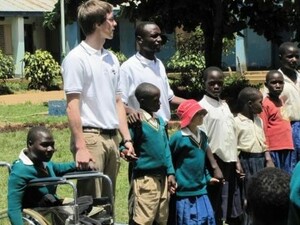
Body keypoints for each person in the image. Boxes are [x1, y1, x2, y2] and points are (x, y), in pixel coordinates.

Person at [61, 0, 134, 199]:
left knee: (107, 202)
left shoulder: (111, 58)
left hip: (112, 139)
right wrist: (81, 147)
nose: (115, 24)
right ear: (96, 24)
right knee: (89, 204)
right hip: (91, 137)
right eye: (111, 19)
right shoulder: (76, 59)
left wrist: (126, 139)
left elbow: (118, 101)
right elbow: (72, 106)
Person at [120, 82, 176, 225]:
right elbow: (124, 144)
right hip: (145, 179)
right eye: (155, 100)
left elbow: (166, 149)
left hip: (162, 178)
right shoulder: (137, 122)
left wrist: (170, 172)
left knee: (161, 217)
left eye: (159, 99)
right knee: (143, 218)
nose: (159, 103)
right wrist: (125, 151)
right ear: (143, 101)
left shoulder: (161, 123)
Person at [199, 66, 243, 225]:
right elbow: (202, 138)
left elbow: (231, 134)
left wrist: (236, 160)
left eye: (219, 83)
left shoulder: (224, 105)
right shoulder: (202, 107)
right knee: (215, 202)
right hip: (215, 161)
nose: (216, 86)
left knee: (230, 202)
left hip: (229, 160)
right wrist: (214, 165)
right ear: (204, 83)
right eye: (212, 83)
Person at [7, 126, 77, 225]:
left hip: (52, 211)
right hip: (36, 217)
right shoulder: (20, 170)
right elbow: (14, 209)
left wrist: (80, 164)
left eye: (52, 145)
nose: (50, 149)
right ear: (30, 144)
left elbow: (61, 168)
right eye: (45, 145)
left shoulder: (45, 163)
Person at [119, 21, 185, 124]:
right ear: (139, 40)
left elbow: (169, 99)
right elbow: (120, 104)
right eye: (154, 36)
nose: (159, 39)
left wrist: (195, 104)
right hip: (144, 130)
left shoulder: (159, 64)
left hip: (163, 128)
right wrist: (131, 112)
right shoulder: (128, 68)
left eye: (160, 36)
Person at [169, 99, 219, 225]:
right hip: (184, 191)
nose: (202, 116)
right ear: (189, 117)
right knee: (187, 220)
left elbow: (202, 162)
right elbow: (169, 159)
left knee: (206, 219)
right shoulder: (178, 138)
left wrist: (208, 177)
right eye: (198, 114)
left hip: (201, 189)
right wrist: (171, 178)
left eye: (202, 113)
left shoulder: (202, 136)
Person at [235, 87, 274, 225]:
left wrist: (268, 158)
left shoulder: (259, 121)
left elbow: (263, 142)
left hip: (260, 159)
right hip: (246, 160)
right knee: (248, 194)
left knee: (261, 192)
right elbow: (234, 145)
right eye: (260, 102)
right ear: (250, 104)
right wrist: (237, 163)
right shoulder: (236, 122)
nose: (262, 106)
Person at [260, 70, 294, 174]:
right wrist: (268, 155)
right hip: (275, 149)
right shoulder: (265, 104)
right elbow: (263, 129)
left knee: (288, 178)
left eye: (280, 82)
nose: (278, 85)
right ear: (266, 85)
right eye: (274, 82)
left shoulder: (281, 101)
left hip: (287, 147)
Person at [277, 42, 300, 165]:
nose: (294, 60)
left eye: (297, 56)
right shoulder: (276, 80)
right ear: (280, 58)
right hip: (288, 128)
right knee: (291, 164)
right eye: (290, 56)